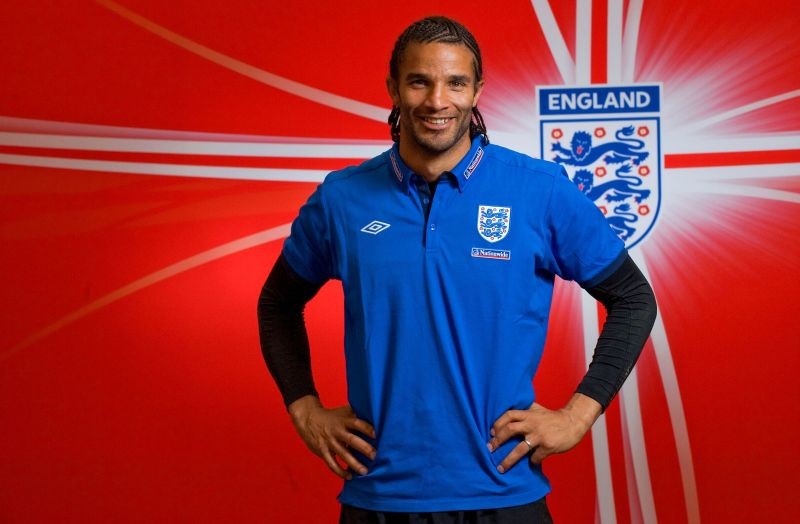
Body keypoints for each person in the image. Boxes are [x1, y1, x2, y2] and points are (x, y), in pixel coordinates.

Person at [258, 16, 657, 523]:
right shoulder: (342, 199)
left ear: (477, 91)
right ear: (394, 88)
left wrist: (579, 415)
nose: (436, 100)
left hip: (503, 495)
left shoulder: (540, 189)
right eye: (419, 80)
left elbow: (633, 296)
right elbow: (277, 303)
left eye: (456, 82)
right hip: (379, 498)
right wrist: (303, 406)